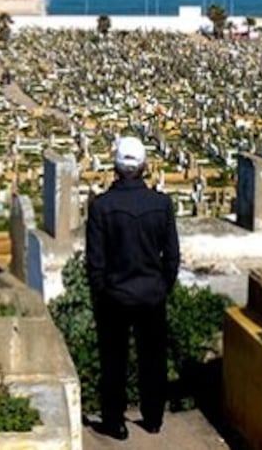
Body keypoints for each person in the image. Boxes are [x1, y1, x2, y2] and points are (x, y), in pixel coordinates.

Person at [86, 136, 181, 440]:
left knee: (114, 360)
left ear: (114, 166)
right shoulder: (161, 204)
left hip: (114, 296)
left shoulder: (101, 207)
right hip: (151, 294)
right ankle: (153, 418)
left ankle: (115, 422)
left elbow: (95, 260)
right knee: (152, 358)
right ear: (144, 166)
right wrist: (162, 286)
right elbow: (173, 255)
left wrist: (101, 292)